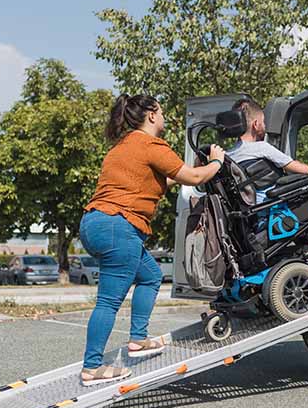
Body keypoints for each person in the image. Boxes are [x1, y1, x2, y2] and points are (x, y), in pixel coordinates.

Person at [80, 94, 225, 386]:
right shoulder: (151, 144)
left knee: (150, 276)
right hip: (119, 226)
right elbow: (195, 178)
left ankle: (138, 339)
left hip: (95, 223)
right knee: (108, 301)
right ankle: (92, 367)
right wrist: (216, 163)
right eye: (161, 112)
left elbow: (164, 179)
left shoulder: (122, 146)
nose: (164, 117)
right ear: (151, 115)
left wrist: (195, 168)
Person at [227, 98, 308, 244]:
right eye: (263, 122)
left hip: (252, 219)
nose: (265, 125)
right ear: (256, 125)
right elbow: (303, 170)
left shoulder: (228, 156)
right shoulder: (262, 148)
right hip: (273, 213)